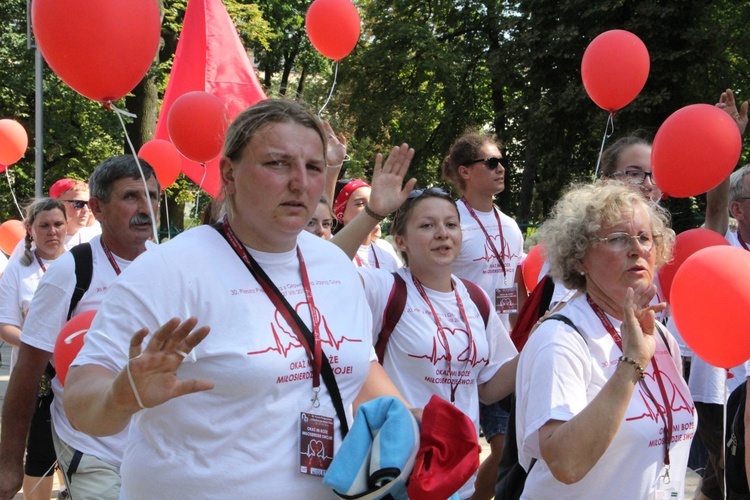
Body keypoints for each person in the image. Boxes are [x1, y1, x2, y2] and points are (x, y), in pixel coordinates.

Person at [62, 99, 406, 498]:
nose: (299, 182)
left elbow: (362, 374)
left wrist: (415, 423)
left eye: (313, 167)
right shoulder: (167, 271)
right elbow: (80, 401)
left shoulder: (335, 266)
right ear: (229, 173)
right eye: (278, 163)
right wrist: (120, 398)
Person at [333, 169, 520, 498]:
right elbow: (326, 268)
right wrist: (373, 213)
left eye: (451, 224)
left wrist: (540, 341)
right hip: (395, 470)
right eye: (427, 225)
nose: (442, 234)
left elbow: (489, 389)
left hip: (456, 475)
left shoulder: (475, 298)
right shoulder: (384, 286)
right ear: (400, 241)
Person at [516, 182, 694, 498]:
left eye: (645, 238)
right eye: (617, 239)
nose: (637, 249)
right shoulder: (560, 338)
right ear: (579, 257)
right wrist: (631, 364)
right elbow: (566, 463)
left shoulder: (661, 336)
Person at [0, 155, 160, 500]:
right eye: (131, 196)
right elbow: (27, 373)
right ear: (97, 208)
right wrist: (10, 463)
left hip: (157, 447)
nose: (146, 207)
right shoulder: (70, 273)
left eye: (153, 195)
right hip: (91, 446)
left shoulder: (171, 265)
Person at [441, 130, 526, 499]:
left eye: (502, 161)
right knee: (457, 446)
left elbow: (517, 285)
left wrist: (525, 326)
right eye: (491, 162)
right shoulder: (449, 221)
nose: (501, 168)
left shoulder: (510, 225)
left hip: (502, 350)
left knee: (507, 442)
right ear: (464, 172)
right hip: (460, 350)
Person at [0, 198, 67, 500]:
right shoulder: (19, 271)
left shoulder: (81, 263)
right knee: (40, 454)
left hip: (79, 375)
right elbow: (5, 326)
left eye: (58, 224)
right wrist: (41, 344)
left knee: (84, 451)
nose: (52, 231)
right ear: (30, 230)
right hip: (37, 378)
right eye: (44, 225)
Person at [333, 178, 402, 270]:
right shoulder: (333, 251)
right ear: (340, 213)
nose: (371, 208)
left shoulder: (387, 253)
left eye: (373, 202)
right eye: (360, 204)